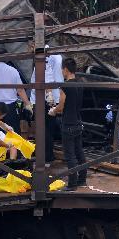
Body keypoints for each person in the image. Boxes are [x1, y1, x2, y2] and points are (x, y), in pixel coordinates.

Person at [48, 58, 86, 190]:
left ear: (65, 69)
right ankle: (82, 179)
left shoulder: (65, 86)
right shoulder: (80, 83)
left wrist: (53, 110)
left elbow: (61, 106)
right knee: (79, 153)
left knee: (70, 155)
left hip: (68, 124)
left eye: (62, 70)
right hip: (78, 121)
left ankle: (72, 184)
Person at [0, 48, 32, 135]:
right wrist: (27, 104)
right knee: (13, 133)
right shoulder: (13, 71)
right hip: (10, 108)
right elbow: (20, 90)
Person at [31, 50, 63, 160]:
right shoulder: (56, 57)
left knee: (44, 130)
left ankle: (46, 156)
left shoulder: (44, 59)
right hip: (48, 98)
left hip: (43, 100)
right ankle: (46, 155)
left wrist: (49, 94)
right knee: (47, 129)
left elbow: (47, 78)